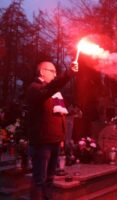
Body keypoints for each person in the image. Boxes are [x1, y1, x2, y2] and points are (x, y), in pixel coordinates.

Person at [25, 61, 78, 200]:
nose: (55, 74)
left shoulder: (54, 93)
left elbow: (58, 116)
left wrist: (61, 137)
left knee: (50, 179)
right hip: (42, 142)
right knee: (40, 179)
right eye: (52, 71)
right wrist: (67, 75)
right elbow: (49, 90)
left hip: (54, 140)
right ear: (42, 72)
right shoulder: (35, 88)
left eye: (56, 72)